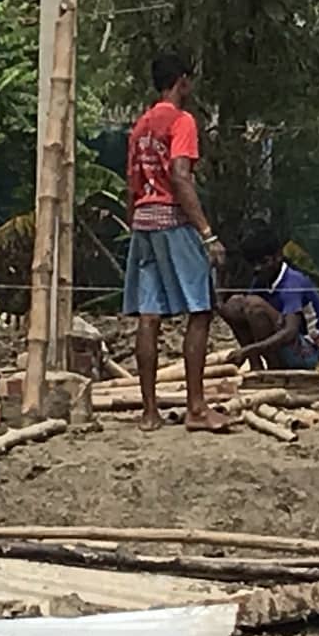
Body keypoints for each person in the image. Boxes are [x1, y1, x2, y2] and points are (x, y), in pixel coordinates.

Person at [124, 52, 228, 433]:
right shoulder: (181, 121)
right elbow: (181, 175)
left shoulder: (140, 126)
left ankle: (149, 411)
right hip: (173, 220)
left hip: (143, 223)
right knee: (199, 309)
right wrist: (206, 232)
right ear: (183, 80)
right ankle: (196, 407)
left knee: (148, 315)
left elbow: (132, 183)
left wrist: (135, 220)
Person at [221, 227, 319, 372]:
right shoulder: (261, 280)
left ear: (278, 256)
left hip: (306, 351)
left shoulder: (292, 282)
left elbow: (290, 331)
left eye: (263, 262)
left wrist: (249, 350)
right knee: (233, 305)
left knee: (255, 307)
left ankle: (274, 368)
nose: (257, 268)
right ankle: (256, 366)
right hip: (285, 344)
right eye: (253, 264)